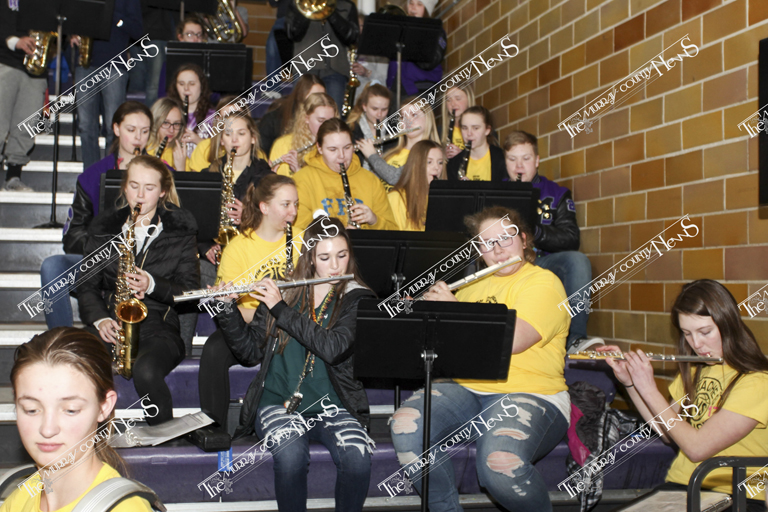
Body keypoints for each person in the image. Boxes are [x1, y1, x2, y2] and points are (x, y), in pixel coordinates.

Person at [391, 206, 570, 512]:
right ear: (478, 250)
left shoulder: (544, 283)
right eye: (488, 243)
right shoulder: (471, 286)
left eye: (506, 238)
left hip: (532, 392)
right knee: (405, 427)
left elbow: (513, 340)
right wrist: (419, 313)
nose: (498, 250)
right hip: (467, 388)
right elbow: (448, 342)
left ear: (523, 240)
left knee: (500, 465)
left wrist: (453, 310)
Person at [212, 217, 376, 511]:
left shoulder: (357, 298)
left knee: (357, 458)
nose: (335, 266)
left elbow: (333, 348)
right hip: (278, 401)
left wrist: (280, 309)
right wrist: (226, 309)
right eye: (324, 258)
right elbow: (249, 352)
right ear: (310, 258)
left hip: (333, 404)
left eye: (342, 255)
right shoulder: (285, 291)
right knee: (290, 457)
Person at [598, 279, 768, 509]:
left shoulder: (757, 382)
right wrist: (630, 383)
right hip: (683, 487)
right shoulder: (695, 372)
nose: (696, 343)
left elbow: (697, 448)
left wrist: (648, 388)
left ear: (728, 324)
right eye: (687, 333)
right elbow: (667, 432)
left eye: (705, 332)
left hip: (736, 497)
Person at [77, 156, 200, 426]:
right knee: (72, 358)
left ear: (163, 191)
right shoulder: (103, 230)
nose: (140, 195)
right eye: (134, 186)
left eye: (149, 188)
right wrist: (100, 319)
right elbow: (86, 286)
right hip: (112, 323)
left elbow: (190, 291)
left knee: (146, 371)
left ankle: (164, 435)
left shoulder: (180, 231)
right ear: (124, 187)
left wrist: (152, 284)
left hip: (160, 327)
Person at [193, 174, 301, 448]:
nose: (293, 212)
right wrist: (265, 313)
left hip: (291, 325)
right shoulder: (239, 247)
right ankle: (213, 427)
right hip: (249, 324)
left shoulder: (303, 242)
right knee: (215, 348)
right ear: (264, 207)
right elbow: (231, 310)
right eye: (286, 204)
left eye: (296, 204)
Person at [2, 327, 153, 512]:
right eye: (31, 410)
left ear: (104, 406)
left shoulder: (124, 508)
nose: (47, 429)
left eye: (70, 410)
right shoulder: (19, 499)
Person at [40, 101, 153, 329]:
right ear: (116, 129)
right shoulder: (93, 175)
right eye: (131, 130)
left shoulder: (163, 174)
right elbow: (72, 235)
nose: (138, 138)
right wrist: (105, 249)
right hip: (101, 264)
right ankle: (62, 339)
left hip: (146, 266)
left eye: (145, 131)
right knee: (52, 266)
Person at [503, 131, 600, 353]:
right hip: (502, 263)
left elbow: (571, 239)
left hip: (541, 261)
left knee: (577, 261)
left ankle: (575, 339)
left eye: (526, 158)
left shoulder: (557, 193)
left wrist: (533, 229)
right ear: (505, 161)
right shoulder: (493, 191)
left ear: (537, 160)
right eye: (512, 159)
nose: (519, 166)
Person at [71, 0, 144, 169]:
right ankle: (91, 173)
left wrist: (112, 16)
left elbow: (138, 31)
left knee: (114, 126)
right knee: (86, 125)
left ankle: (111, 172)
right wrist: (73, 34)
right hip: (85, 64)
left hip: (115, 65)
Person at [293, 118, 398, 230]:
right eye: (333, 149)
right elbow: (297, 230)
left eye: (347, 147)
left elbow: (393, 231)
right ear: (319, 148)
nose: (342, 156)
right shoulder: (302, 180)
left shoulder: (371, 180)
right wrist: (337, 235)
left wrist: (374, 220)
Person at [200, 114, 273, 272]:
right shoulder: (207, 175)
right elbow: (194, 221)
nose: (234, 140)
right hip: (215, 257)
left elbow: (277, 220)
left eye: (241, 133)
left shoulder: (267, 179)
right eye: (228, 134)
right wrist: (205, 246)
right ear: (221, 140)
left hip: (253, 252)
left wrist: (249, 216)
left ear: (253, 138)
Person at [0, 0, 47, 191]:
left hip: (35, 69)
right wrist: (15, 41)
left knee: (26, 125)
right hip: (4, 61)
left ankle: (13, 176)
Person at [284, 0, 359, 109]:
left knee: (332, 114)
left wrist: (330, 11)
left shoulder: (347, 5)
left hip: (335, 71)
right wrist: (307, 9)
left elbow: (352, 38)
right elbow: (292, 33)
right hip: (305, 68)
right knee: (301, 112)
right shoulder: (297, 3)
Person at [356, 98, 440, 186]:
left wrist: (372, 156)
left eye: (414, 115)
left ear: (428, 118)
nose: (407, 121)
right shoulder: (391, 152)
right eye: (403, 117)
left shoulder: (430, 153)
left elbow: (396, 177)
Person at [386, 0, 446, 97]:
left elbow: (431, 61)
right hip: (396, 88)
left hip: (420, 88)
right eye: (411, 3)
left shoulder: (436, 30)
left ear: (426, 10)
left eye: (419, 4)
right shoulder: (403, 29)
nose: (413, 8)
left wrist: (412, 38)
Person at [269, 92, 338, 176]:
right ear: (306, 118)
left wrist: (299, 171)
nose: (326, 126)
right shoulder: (283, 145)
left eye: (331, 121)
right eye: (320, 120)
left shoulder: (339, 148)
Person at [258, 74, 325, 156]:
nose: (318, 101)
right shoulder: (276, 116)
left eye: (322, 96)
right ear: (300, 95)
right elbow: (262, 149)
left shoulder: (326, 118)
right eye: (313, 96)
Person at [387, 140, 444, 231]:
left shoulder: (441, 198)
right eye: (429, 162)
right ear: (415, 165)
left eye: (440, 162)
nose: (437, 167)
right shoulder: (396, 198)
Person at [167, 63, 215, 156]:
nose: (186, 88)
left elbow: (219, 152)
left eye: (192, 84)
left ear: (201, 86)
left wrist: (198, 141)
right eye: (181, 84)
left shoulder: (213, 117)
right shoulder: (168, 114)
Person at [446, 106, 506, 181]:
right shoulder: (454, 164)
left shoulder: (502, 158)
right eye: (464, 128)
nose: (469, 133)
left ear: (487, 130)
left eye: (475, 128)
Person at [346, 84, 394, 171]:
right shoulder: (351, 130)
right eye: (374, 109)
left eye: (384, 109)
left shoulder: (394, 129)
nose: (379, 114)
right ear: (364, 106)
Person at [351, 14, 388, 91]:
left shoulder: (378, 51)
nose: (356, 29)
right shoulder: (341, 49)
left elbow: (384, 81)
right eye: (353, 26)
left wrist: (367, 73)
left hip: (369, 94)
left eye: (360, 26)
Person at [148, 97, 186, 171]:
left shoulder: (181, 155)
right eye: (165, 123)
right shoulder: (144, 149)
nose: (171, 130)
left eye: (176, 124)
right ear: (155, 122)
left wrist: (181, 169)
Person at [440, 84, 474, 159]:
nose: (453, 104)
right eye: (449, 100)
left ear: (469, 100)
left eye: (458, 99)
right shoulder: (439, 132)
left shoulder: (482, 129)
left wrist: (461, 154)